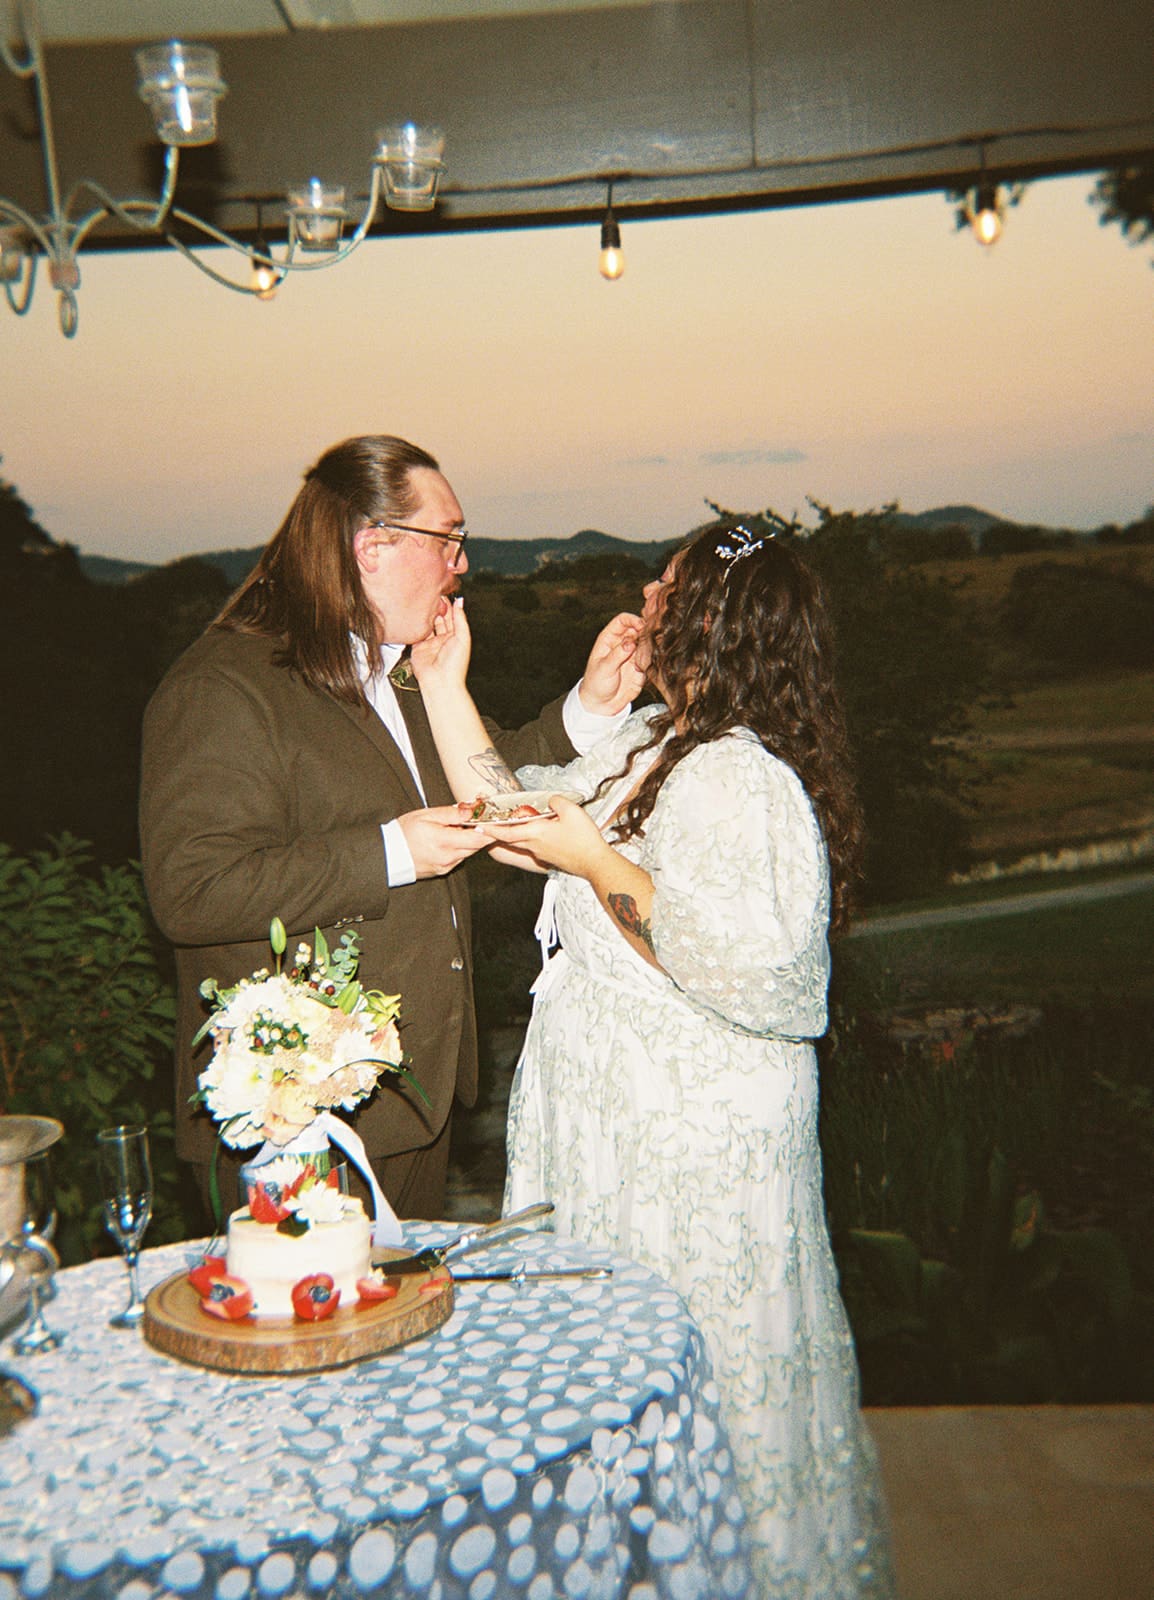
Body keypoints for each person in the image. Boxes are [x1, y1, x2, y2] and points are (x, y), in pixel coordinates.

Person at [411, 519, 896, 1597]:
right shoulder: (646, 743)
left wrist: (592, 860)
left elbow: (766, 978)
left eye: (666, 584)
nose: (644, 590)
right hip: (616, 1124)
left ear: (712, 624)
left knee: (699, 1391)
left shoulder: (741, 778)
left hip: (692, 1152)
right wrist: (446, 682)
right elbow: (512, 811)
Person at [139, 434, 642, 1225]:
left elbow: (485, 775)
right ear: (372, 547)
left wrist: (592, 704)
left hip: (413, 1097)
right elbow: (191, 889)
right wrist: (393, 852)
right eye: (450, 539)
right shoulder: (223, 688)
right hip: (296, 1122)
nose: (462, 564)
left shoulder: (399, 669)